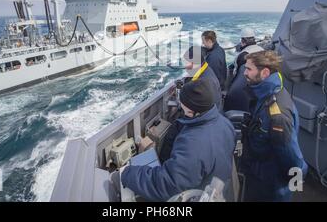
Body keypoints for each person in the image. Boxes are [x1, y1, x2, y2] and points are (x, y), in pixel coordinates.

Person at [121, 78, 236, 202]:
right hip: (216, 189)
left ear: (191, 111)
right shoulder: (225, 123)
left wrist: (128, 174)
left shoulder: (194, 144)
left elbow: (167, 185)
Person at [240, 51, 308, 202]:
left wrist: (293, 185)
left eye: (249, 69)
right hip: (258, 170)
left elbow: (292, 158)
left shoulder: (277, 115)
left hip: (270, 183)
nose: (244, 73)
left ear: (264, 73)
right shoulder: (265, 93)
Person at [224, 28, 264, 112]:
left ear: (243, 40)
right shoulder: (262, 50)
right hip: (260, 89)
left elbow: (237, 75)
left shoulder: (243, 55)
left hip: (246, 90)